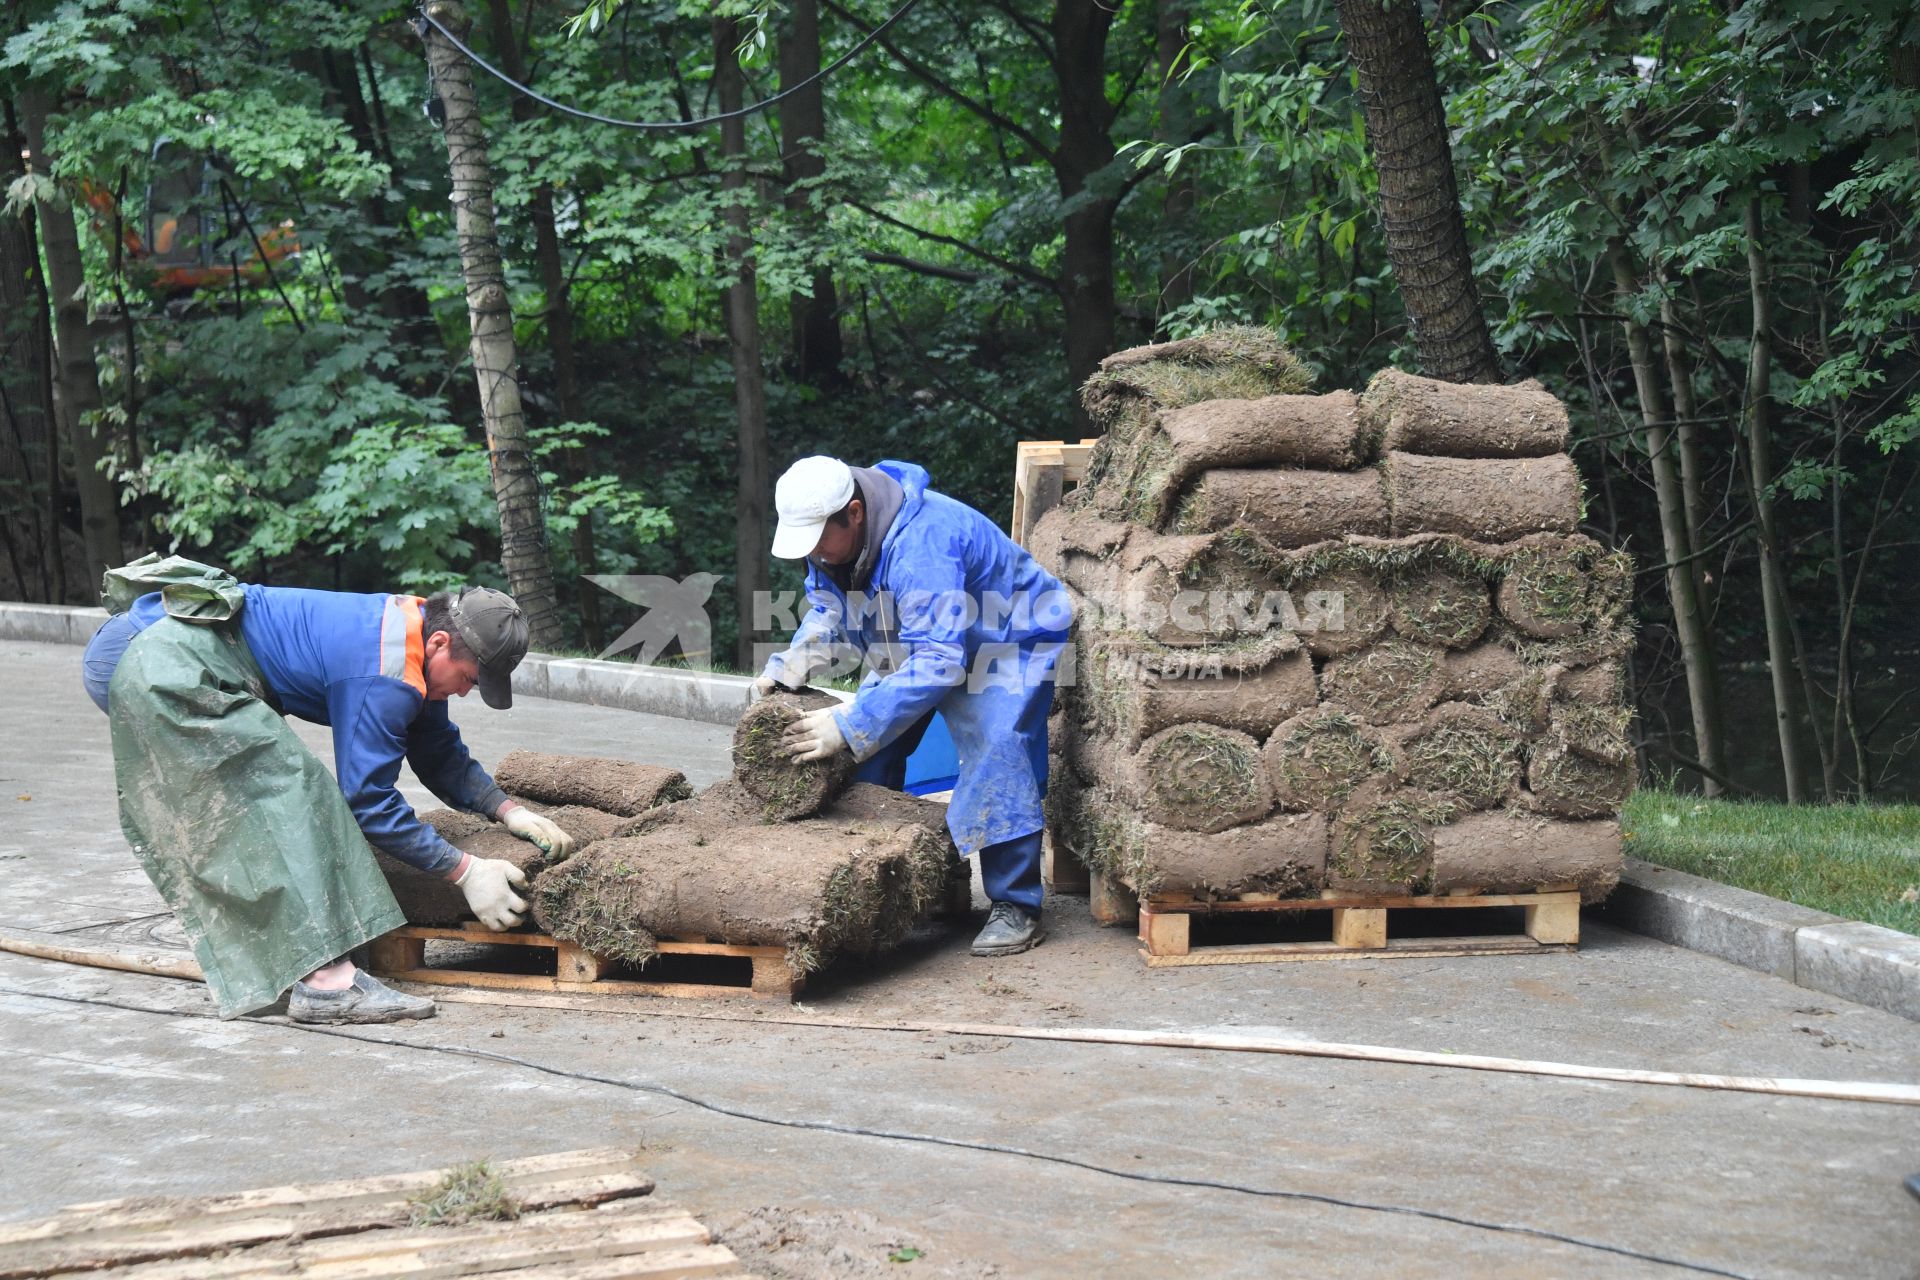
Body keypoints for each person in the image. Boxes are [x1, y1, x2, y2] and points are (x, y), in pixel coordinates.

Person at [81, 555, 575, 1024]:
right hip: (155, 661)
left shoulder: (414, 636)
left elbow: (435, 747)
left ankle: (312, 954)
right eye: (469, 679)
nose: (466, 692)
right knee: (290, 800)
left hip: (178, 650)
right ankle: (326, 985)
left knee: (279, 795)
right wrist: (465, 872)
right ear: (442, 643)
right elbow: (369, 803)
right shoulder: (383, 672)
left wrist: (507, 810)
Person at [754, 457, 1071, 956]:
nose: (813, 551)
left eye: (818, 538)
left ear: (854, 513)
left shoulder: (922, 543)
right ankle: (927, 876)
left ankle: (1016, 904)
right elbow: (828, 609)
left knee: (997, 747)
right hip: (926, 641)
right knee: (868, 755)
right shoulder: (835, 550)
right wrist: (793, 661)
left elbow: (940, 662)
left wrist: (853, 719)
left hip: (1007, 640)